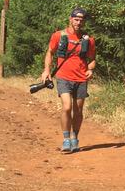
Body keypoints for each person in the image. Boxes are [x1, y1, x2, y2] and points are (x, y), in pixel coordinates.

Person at [40, 8, 96, 153]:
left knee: (78, 111)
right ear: (70, 19)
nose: (79, 22)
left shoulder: (88, 40)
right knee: (66, 107)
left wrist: (90, 69)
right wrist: (47, 70)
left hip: (81, 78)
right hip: (64, 77)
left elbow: (92, 59)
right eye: (76, 19)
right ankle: (66, 139)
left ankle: (74, 138)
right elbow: (50, 53)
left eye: (81, 20)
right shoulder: (59, 35)